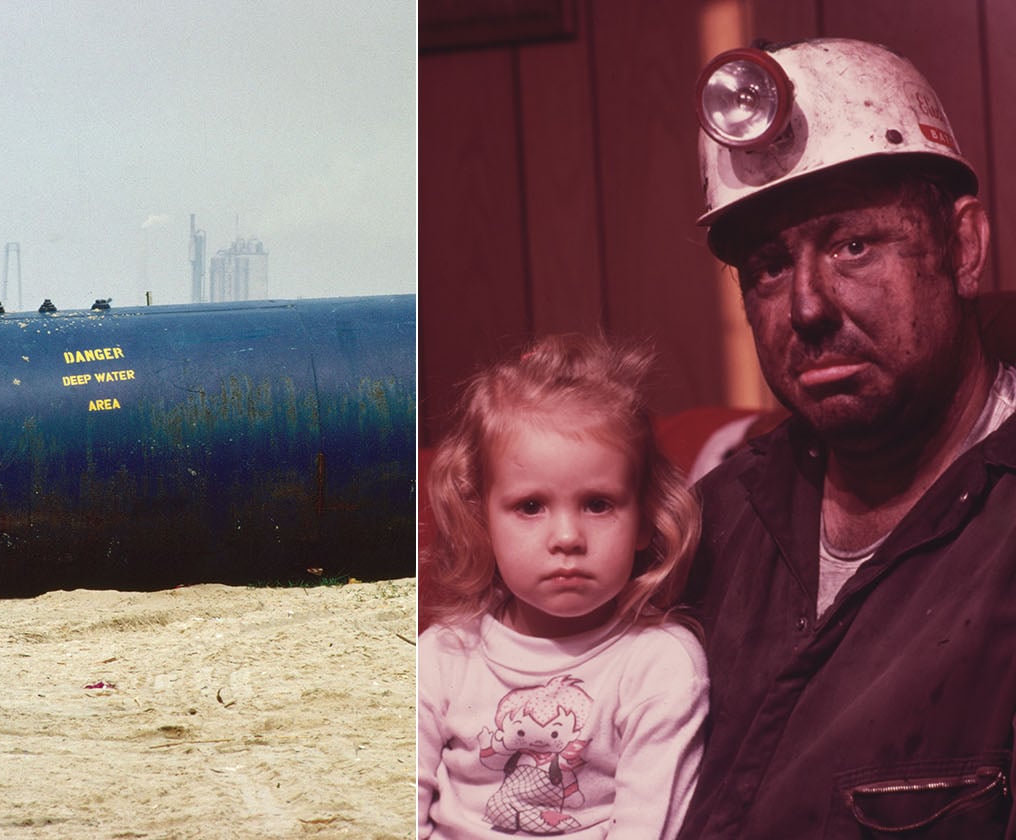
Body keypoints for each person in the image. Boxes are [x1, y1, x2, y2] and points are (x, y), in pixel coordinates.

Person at [682, 38, 1016, 836]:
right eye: (767, 265)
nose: (806, 307)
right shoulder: (708, 526)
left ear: (963, 248)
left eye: (853, 245)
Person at [418, 333, 708, 839]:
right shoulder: (442, 656)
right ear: (482, 520)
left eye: (598, 504)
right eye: (530, 507)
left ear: (644, 517)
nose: (568, 538)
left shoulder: (659, 666)